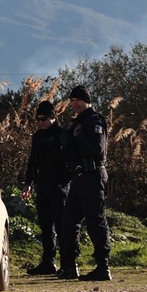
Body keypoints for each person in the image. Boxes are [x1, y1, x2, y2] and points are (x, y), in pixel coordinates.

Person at [59, 85, 112, 281]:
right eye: (72, 101)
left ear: (87, 100)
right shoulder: (76, 123)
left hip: (93, 175)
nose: (75, 104)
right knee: (69, 222)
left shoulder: (94, 120)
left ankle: (102, 267)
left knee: (95, 221)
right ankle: (70, 266)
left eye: (78, 100)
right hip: (78, 178)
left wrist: (80, 135)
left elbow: (98, 149)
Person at [19, 99, 69, 275]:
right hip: (43, 185)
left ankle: (66, 263)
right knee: (46, 226)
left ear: (52, 117)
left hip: (59, 186)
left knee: (61, 225)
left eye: (43, 119)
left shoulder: (63, 134)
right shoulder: (38, 136)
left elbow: (69, 161)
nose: (40, 122)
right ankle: (48, 262)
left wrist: (64, 181)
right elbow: (32, 161)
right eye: (38, 119)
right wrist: (28, 183)